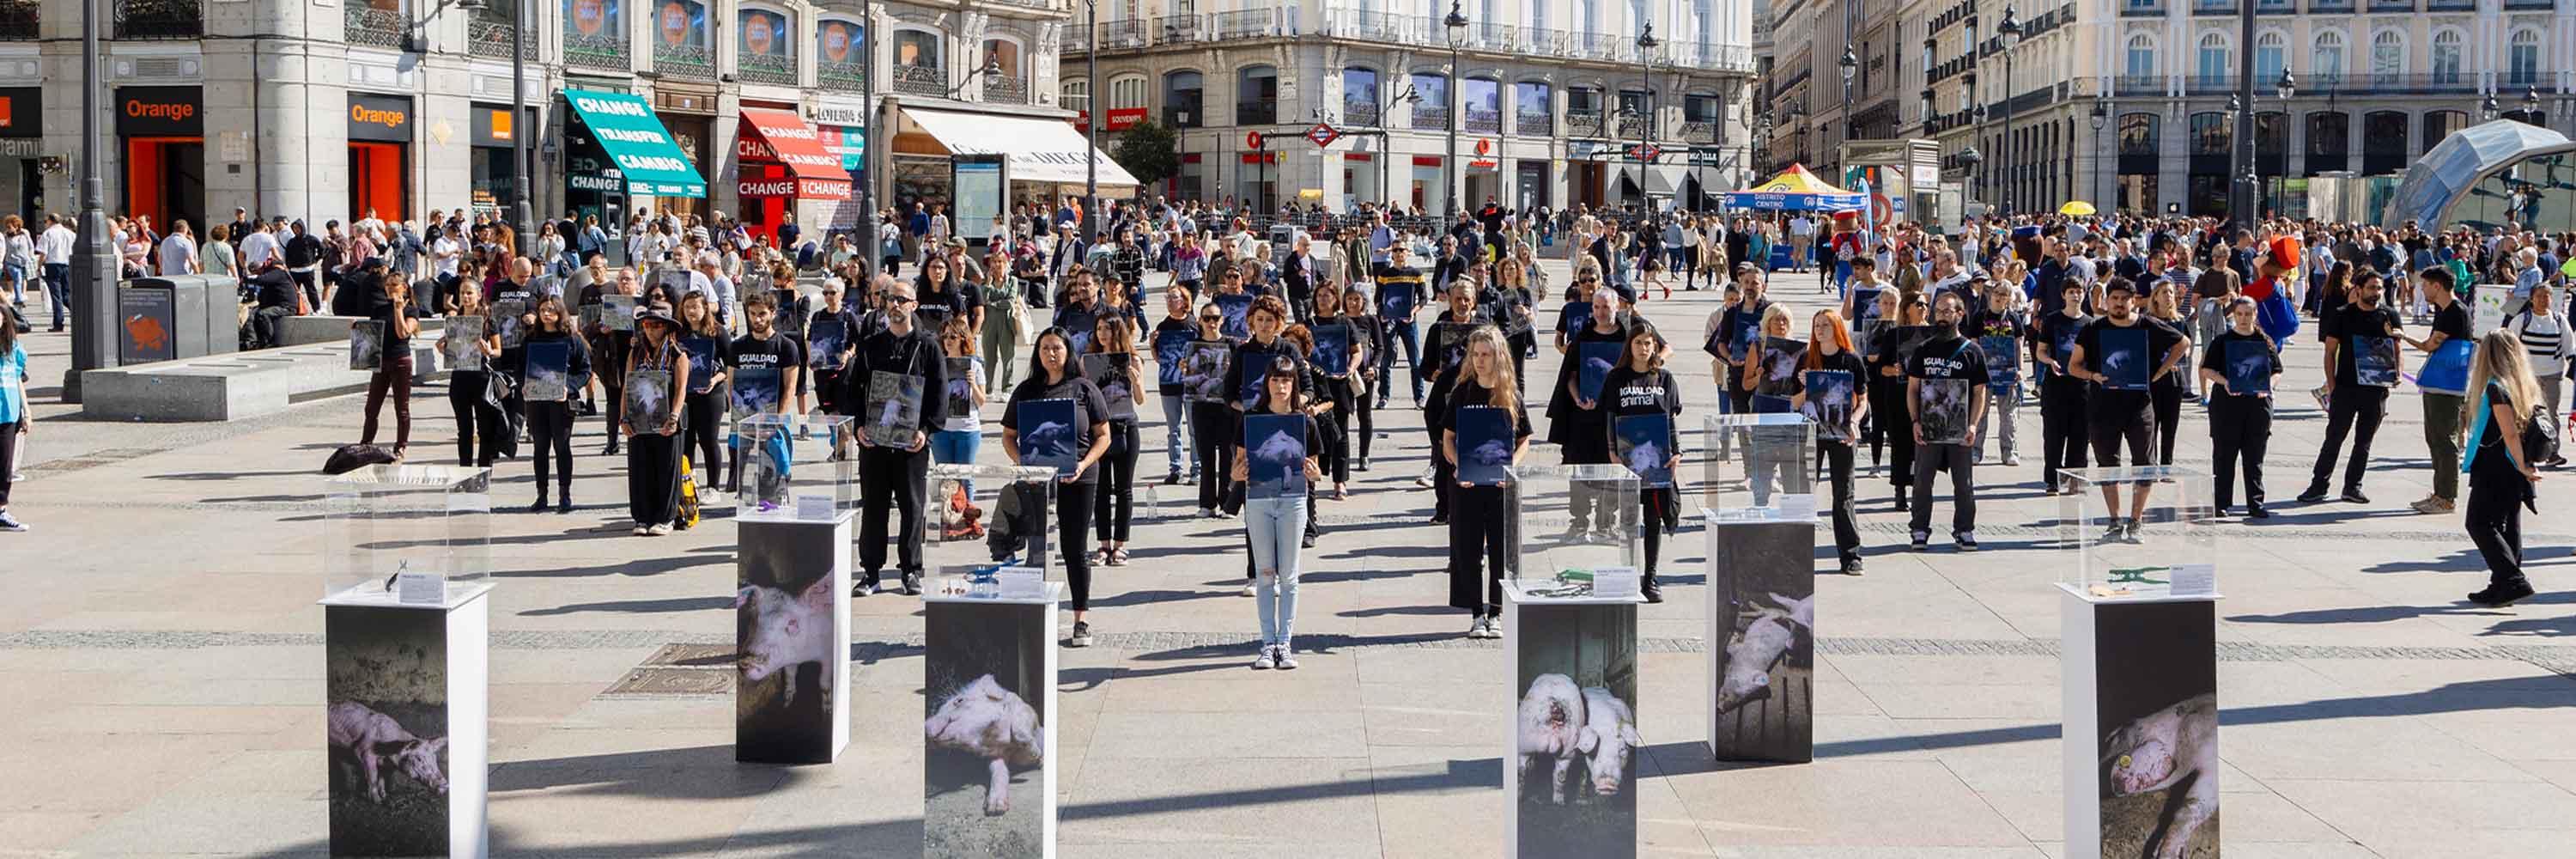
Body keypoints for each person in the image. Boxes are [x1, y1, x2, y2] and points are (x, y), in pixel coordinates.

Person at [1001, 328, 1113, 646]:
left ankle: (1081, 619)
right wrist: (1023, 462)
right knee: (1036, 547)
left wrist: (1083, 463)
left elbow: (1103, 435)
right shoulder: (1026, 390)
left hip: (1079, 477)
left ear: (1068, 352)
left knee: (1075, 548)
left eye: (1057, 348)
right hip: (1038, 480)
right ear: (1038, 353)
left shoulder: (1084, 388)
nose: (1051, 354)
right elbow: (1009, 436)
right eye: (1045, 348)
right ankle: (1034, 616)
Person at [2068, 278, 2191, 541]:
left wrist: (2160, 371)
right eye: (2115, 298)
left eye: (2125, 298)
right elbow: (2073, 366)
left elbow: (2183, 343)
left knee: (2144, 466)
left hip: (2140, 407)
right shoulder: (2093, 329)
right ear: (2107, 300)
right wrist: (2093, 375)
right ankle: (2114, 520)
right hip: (2103, 407)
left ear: (2133, 301)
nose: (2120, 303)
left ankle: (2136, 521)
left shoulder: (2147, 325)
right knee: (2107, 465)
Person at [848, 282, 947, 596]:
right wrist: (859, 427)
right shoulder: (870, 345)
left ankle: (910, 571)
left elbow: (939, 395)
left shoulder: (928, 345)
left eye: (902, 299)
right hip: (875, 443)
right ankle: (871, 573)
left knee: (912, 507)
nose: (895, 304)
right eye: (890, 299)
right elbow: (853, 390)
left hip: (911, 445)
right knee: (874, 507)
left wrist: (926, 431)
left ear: (914, 305)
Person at [1236, 356, 1323, 669]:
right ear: (1267, 383)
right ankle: (1267, 642)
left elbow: (1316, 471)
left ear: (1294, 383)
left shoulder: (1305, 422)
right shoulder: (1251, 419)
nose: (1281, 386)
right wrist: (1238, 473)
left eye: (1286, 380)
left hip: (1293, 502)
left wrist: (1314, 475)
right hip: (1258, 500)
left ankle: (1284, 642)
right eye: (1275, 379)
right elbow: (1237, 467)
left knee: (1289, 576)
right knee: (1264, 575)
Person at [1443, 327, 1528, 638]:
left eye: (1486, 354)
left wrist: (1510, 467)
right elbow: (1448, 439)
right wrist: (1458, 465)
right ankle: (1476, 613)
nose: (1480, 360)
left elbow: (1524, 439)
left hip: (1499, 486)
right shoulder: (1462, 392)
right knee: (1467, 550)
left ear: (1498, 356)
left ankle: (1496, 611)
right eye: (1475, 354)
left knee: (1501, 549)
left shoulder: (1510, 394)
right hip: (1466, 485)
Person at [2461, 329, 2546, 606]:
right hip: (2513, 465)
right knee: (2508, 525)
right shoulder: (2524, 385)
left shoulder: (2497, 387)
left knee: (2479, 522)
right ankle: (2501, 584)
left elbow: (2509, 432)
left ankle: (2512, 580)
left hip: (2497, 464)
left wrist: (2522, 466)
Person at [2303, 270, 2402, 504]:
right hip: (2345, 388)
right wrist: (2332, 384)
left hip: (2376, 390)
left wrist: (2396, 372)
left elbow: (2396, 348)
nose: (2376, 293)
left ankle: (2352, 487)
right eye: (2371, 288)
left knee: (2364, 442)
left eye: (2379, 288)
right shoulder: (2342, 315)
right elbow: (2329, 352)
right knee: (2334, 438)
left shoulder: (2389, 316)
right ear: (2358, 289)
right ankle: (2318, 485)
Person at [1599, 320, 1680, 600]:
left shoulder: (1665, 379)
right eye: (1638, 343)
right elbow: (1609, 416)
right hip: (1626, 459)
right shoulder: (1616, 378)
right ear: (1629, 346)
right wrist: (1612, 451)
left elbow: (1669, 420)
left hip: (1657, 461)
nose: (1644, 348)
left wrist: (1677, 453)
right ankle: (1628, 575)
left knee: (1654, 518)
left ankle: (1651, 578)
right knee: (1629, 520)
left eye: (1649, 343)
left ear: (1655, 346)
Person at [1904, 292, 1990, 551]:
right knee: (1921, 481)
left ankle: (1964, 530)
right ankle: (1919, 529)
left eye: (1948, 311)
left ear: (1960, 315)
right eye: (1938, 311)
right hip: (1928, 426)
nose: (1941, 316)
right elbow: (1912, 389)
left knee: (1963, 483)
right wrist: (1915, 421)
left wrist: (1974, 424)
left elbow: (1980, 392)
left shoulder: (1973, 352)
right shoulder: (1923, 349)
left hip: (1960, 428)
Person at [2391, 266, 2475, 514]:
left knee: (2444, 439)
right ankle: (2440, 493)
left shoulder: (2454, 311)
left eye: (2425, 285)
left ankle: (2447, 498)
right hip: (2439, 382)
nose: (2422, 289)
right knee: (2435, 438)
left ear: (2437, 286)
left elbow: (2430, 346)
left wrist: (2403, 337)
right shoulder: (2444, 310)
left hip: (2448, 385)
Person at [1546, 289, 1626, 536]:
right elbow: (1569, 377)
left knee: (1613, 468)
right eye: (1597, 307)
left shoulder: (1627, 336)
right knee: (1579, 467)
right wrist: (1578, 398)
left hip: (1617, 417)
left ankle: (1606, 521)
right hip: (1585, 415)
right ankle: (1579, 520)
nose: (1601, 312)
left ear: (1617, 308)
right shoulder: (1582, 338)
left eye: (1606, 307)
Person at [1796, 308, 1868, 573]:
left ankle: (1851, 556)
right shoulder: (1806, 358)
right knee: (1803, 494)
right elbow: (1792, 403)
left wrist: (1854, 422)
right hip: (1811, 433)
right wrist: (1805, 388)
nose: (1820, 329)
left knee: (1843, 495)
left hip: (1841, 435)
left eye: (1826, 324)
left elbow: (1863, 400)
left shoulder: (1851, 360)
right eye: (1817, 325)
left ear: (1837, 328)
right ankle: (1798, 553)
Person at [2200, 297, 2281, 519]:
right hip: (2227, 405)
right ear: (2233, 315)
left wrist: (2269, 386)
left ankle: (2255, 502)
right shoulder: (2222, 341)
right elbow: (2207, 370)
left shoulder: (2265, 341)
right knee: (2224, 456)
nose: (2244, 319)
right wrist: (2224, 381)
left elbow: (2276, 371)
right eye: (2240, 314)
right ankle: (2221, 502)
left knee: (2254, 456)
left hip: (2258, 404)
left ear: (2256, 315)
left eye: (2248, 314)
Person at [519, 297, 592, 513]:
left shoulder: (572, 339)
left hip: (561, 402)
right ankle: (541, 494)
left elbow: (585, 371)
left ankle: (564, 494)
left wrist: (568, 387)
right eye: (542, 310)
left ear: (560, 312)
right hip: (536, 401)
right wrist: (524, 385)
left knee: (562, 446)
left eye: (551, 310)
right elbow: (520, 367)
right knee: (540, 447)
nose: (546, 314)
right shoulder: (531, 338)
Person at [624, 303, 690, 535]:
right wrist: (624, 417)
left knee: (667, 469)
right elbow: (627, 385)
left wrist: (674, 416)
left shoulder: (677, 354)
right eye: (647, 325)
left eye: (657, 325)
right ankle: (642, 517)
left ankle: (665, 517)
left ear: (667, 327)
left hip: (667, 420)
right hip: (640, 418)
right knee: (641, 468)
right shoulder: (637, 352)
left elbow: (681, 389)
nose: (651, 330)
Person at [1088, 315, 1144, 566]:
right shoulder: (1087, 361)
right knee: (1100, 489)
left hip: (1125, 426)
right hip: (1099, 429)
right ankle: (1103, 545)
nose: (1102, 334)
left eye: (1107, 330)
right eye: (1098, 329)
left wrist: (1135, 380)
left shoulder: (1133, 359)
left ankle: (1120, 545)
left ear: (1117, 332)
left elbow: (1140, 399)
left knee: (1124, 489)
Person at [1867, 295, 1929, 508]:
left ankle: (1921, 489)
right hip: (1898, 395)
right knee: (1901, 444)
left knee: (1923, 446)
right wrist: (1893, 370)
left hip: (1927, 397)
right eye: (1919, 304)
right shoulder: (1894, 335)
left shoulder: (1934, 335)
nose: (1923, 308)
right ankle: (1900, 490)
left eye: (1926, 305)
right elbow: (1880, 368)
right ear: (1907, 308)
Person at [2032, 279, 2093, 492]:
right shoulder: (2052, 320)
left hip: (2082, 387)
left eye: (2079, 292)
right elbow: (2041, 351)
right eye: (2071, 292)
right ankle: (2053, 480)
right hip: (2056, 385)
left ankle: (2075, 478)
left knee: (2081, 435)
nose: (2075, 296)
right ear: (2064, 295)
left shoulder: (2090, 323)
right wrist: (2050, 362)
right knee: (2054, 435)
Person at [358, 277, 424, 460]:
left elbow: (402, 333)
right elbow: (373, 336)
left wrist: (398, 309)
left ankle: (401, 446)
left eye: (394, 285)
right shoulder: (379, 309)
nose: (389, 288)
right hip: (381, 362)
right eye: (387, 285)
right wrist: (358, 330)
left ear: (404, 287)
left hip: (400, 361)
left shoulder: (412, 310)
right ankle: (366, 443)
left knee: (401, 408)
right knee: (371, 407)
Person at [675, 293, 733, 496]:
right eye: (687, 307)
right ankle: (688, 483)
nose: (691, 311)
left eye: (695, 307)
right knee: (686, 440)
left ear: (705, 308)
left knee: (709, 440)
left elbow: (731, 364)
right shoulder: (677, 333)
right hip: (685, 394)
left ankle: (713, 487)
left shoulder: (717, 332)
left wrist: (716, 379)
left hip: (711, 394)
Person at [444, 285, 506, 468]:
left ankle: (484, 471)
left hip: (481, 378)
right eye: (462, 293)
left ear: (479, 295)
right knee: (464, 430)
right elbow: (450, 348)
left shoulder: (488, 321)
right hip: (459, 378)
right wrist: (444, 348)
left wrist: (489, 351)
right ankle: (465, 471)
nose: (465, 296)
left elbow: (498, 351)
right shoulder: (454, 320)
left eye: (469, 293)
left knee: (485, 430)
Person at [2510, 281, 2569, 467]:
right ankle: (2526, 449)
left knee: (2552, 413)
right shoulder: (2521, 320)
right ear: (2531, 299)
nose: (2543, 300)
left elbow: (2569, 346)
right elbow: (2510, 346)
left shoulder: (2559, 320)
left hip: (2553, 373)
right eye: (2539, 296)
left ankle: (2552, 452)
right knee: (2526, 413)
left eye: (2547, 296)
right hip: (2527, 376)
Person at [1188, 302, 1238, 518]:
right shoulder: (1194, 346)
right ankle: (1207, 503)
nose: (1211, 323)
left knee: (1227, 455)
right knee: (1206, 456)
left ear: (1222, 321)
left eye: (1215, 318)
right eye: (1207, 318)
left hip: (1226, 407)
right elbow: (1188, 375)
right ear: (1200, 320)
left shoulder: (1232, 344)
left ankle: (1226, 501)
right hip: (1201, 406)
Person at [0, 314, 25, 530]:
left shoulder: (13, 347)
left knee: (4, 466)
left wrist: (26, 410)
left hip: (8, 412)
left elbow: (18, 379)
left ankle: (1, 510)